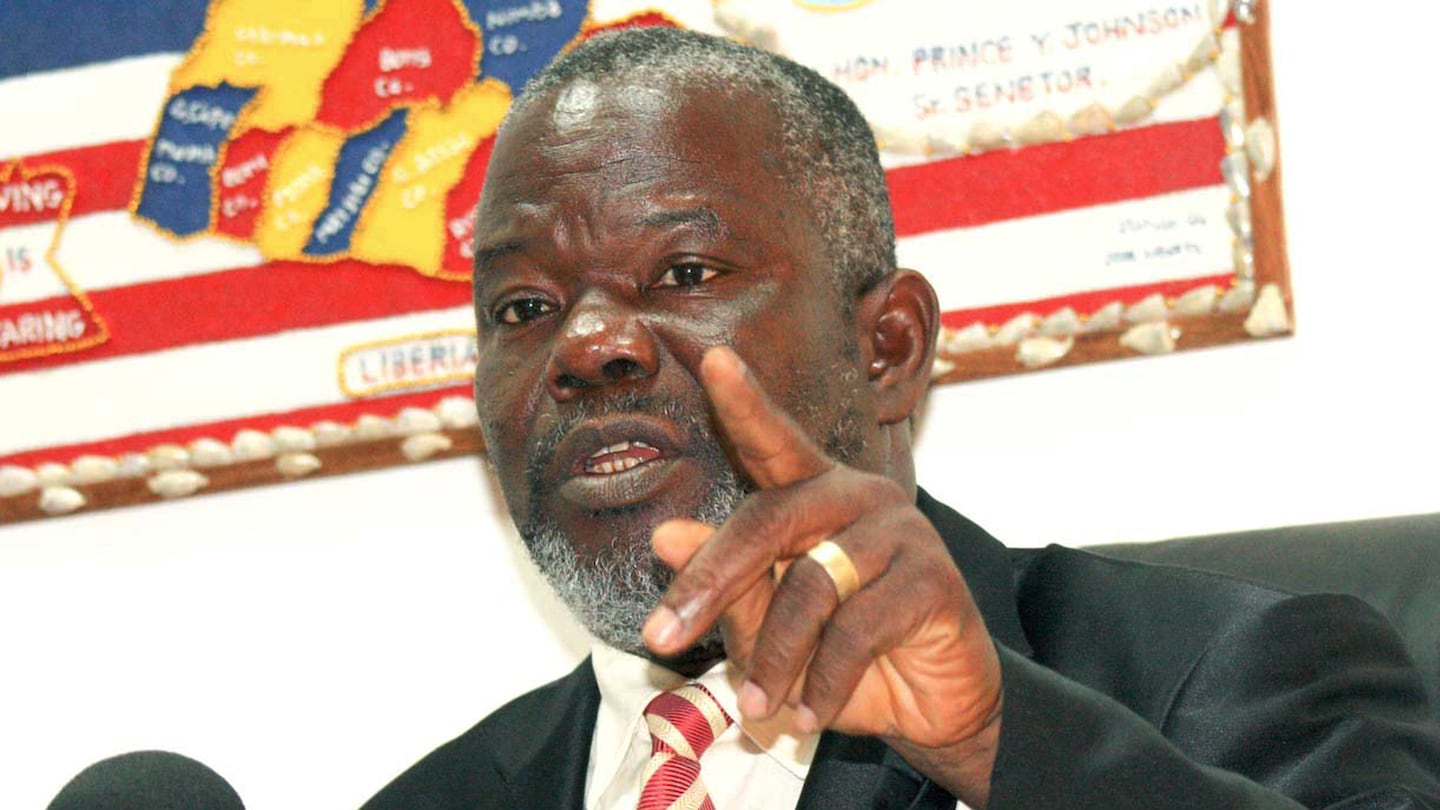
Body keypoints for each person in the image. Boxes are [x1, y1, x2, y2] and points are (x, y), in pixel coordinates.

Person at [362, 26, 1440, 809]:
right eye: (523, 308)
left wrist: (997, 743)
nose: (590, 346)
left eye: (684, 270)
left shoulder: (1227, 670)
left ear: (889, 348)